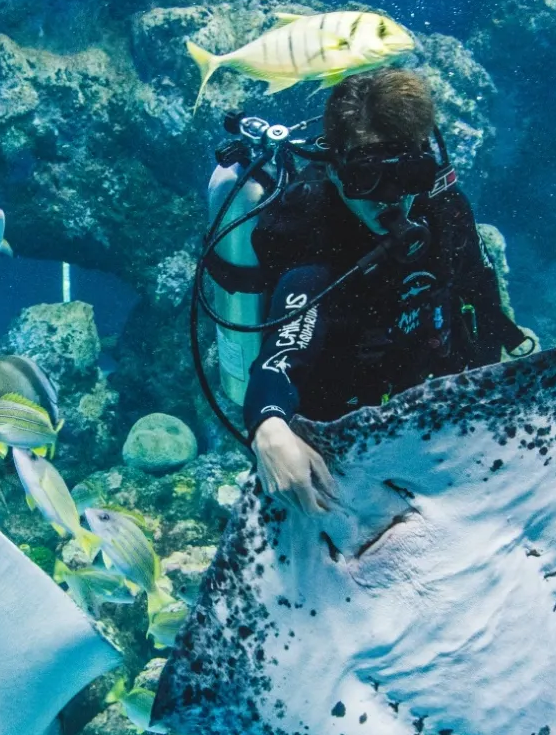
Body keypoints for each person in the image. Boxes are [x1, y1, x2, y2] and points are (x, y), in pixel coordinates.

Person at [226, 68, 532, 513]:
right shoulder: (313, 232)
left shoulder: (442, 209)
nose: (390, 199)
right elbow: (281, 355)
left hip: (429, 403)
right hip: (342, 434)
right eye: (367, 177)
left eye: (406, 175)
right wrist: (269, 427)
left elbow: (482, 300)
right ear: (335, 169)